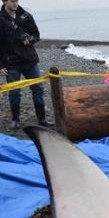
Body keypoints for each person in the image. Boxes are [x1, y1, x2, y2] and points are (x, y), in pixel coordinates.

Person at [0, 0, 51, 129]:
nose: (15, 4)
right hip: (11, 63)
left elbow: (36, 34)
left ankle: (42, 119)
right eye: (12, 1)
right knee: (14, 93)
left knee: (38, 90)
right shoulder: (1, 20)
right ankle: (15, 119)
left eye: (17, 1)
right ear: (5, 1)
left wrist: (30, 39)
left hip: (30, 60)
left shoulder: (26, 16)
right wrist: (0, 66)